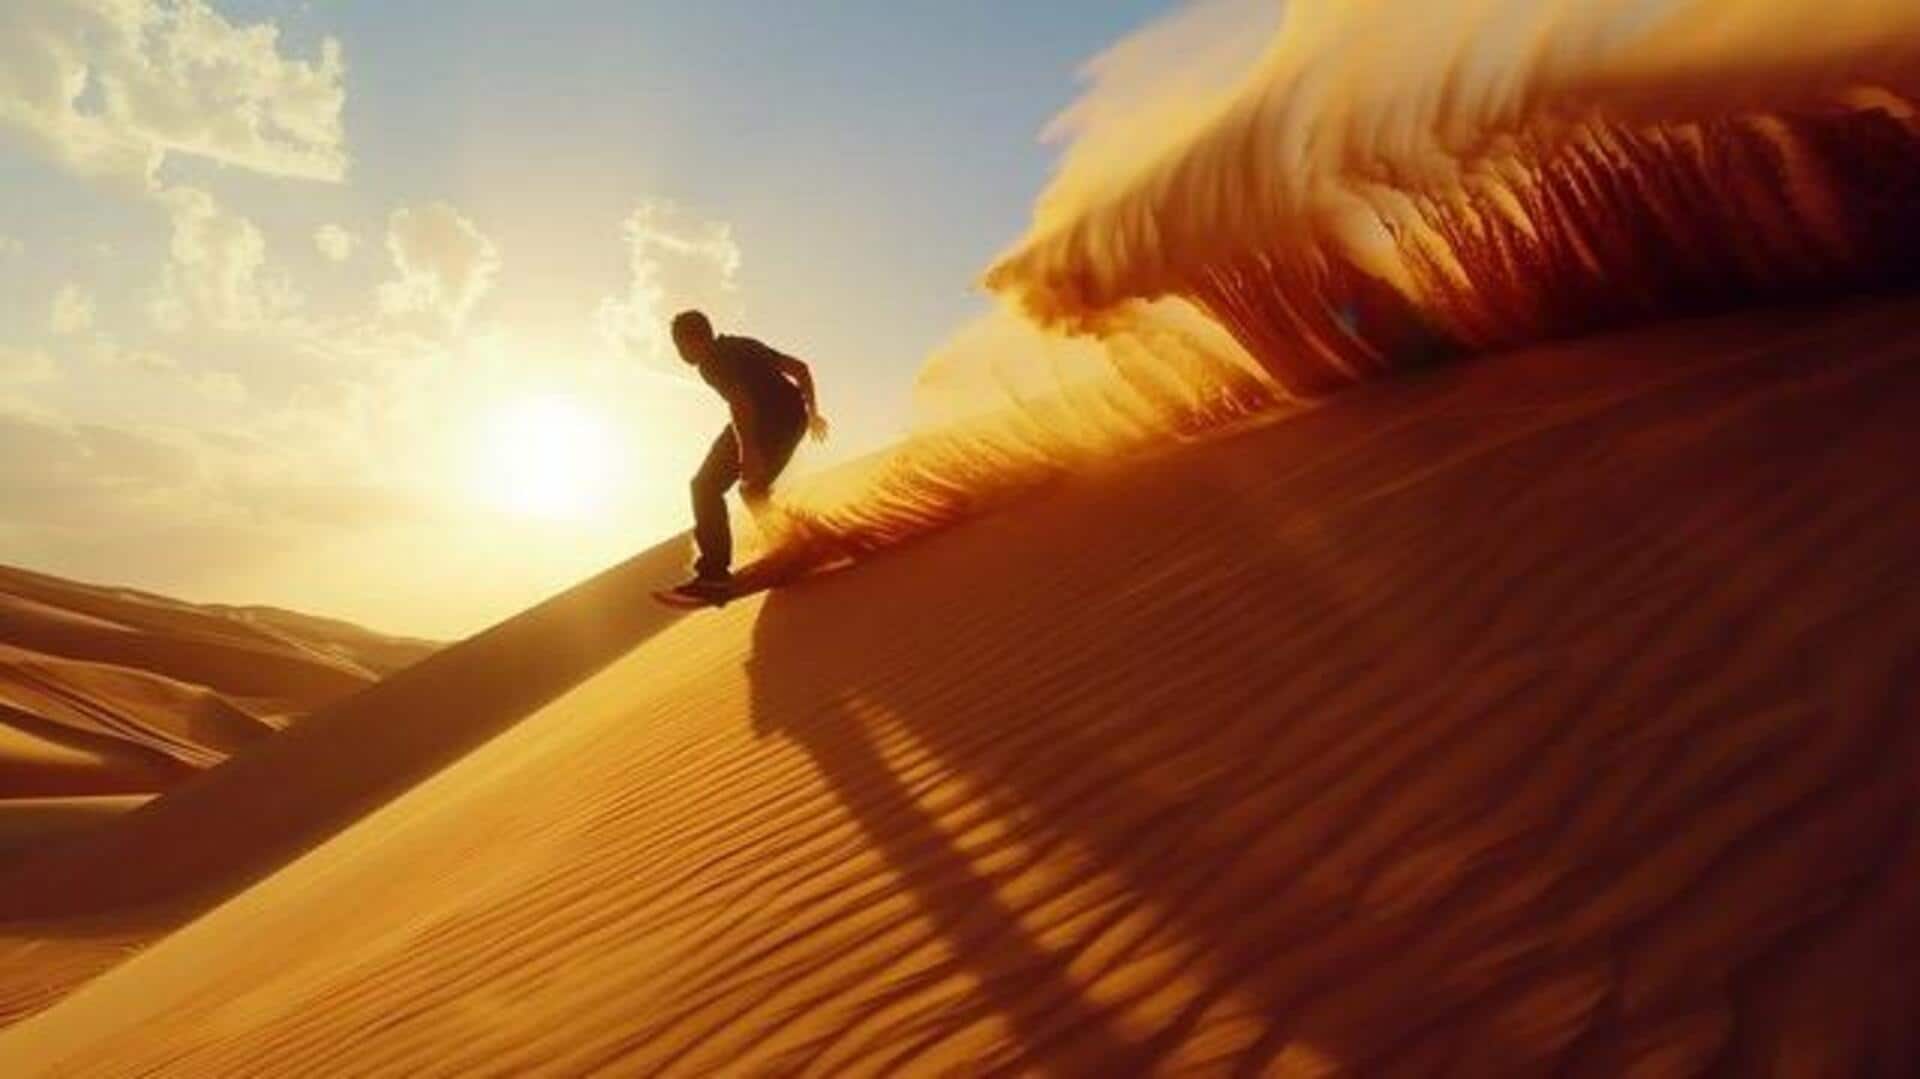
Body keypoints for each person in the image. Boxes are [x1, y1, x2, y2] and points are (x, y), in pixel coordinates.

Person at [667, 309, 828, 600]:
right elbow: (800, 368)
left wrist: (748, 451)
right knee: (754, 491)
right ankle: (792, 545)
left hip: (765, 422)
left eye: (679, 345)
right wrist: (813, 413)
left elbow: (741, 404)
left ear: (693, 340)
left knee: (704, 486)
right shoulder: (743, 344)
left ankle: (714, 575)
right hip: (793, 419)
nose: (680, 353)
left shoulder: (711, 361)